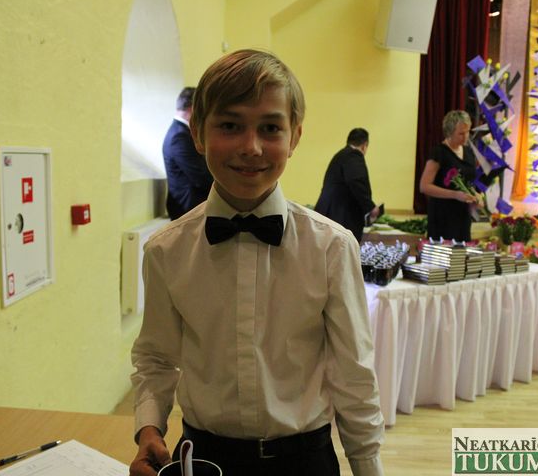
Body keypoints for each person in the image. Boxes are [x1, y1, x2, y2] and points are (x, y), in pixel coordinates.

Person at [130, 49, 385, 476]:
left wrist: (368, 467)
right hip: (204, 458)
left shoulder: (331, 248)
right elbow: (155, 358)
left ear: (294, 137)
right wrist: (149, 429)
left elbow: (353, 374)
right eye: (230, 126)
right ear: (197, 133)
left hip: (304, 461)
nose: (251, 147)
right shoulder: (166, 251)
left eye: (270, 128)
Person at [419, 110, 480, 242]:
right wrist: (455, 194)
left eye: (467, 132)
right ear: (449, 132)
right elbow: (424, 186)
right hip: (442, 216)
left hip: (462, 216)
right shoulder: (439, 152)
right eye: (461, 133)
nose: (465, 137)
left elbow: (468, 182)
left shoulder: (468, 152)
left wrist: (474, 196)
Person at [314, 128, 380, 242]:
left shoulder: (342, 155)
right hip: (341, 216)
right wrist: (370, 207)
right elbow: (356, 181)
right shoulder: (354, 156)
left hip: (331, 212)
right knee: (342, 250)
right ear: (364, 146)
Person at [162, 86, 214, 220]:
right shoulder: (179, 136)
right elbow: (200, 176)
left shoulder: (180, 132)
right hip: (187, 208)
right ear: (193, 108)